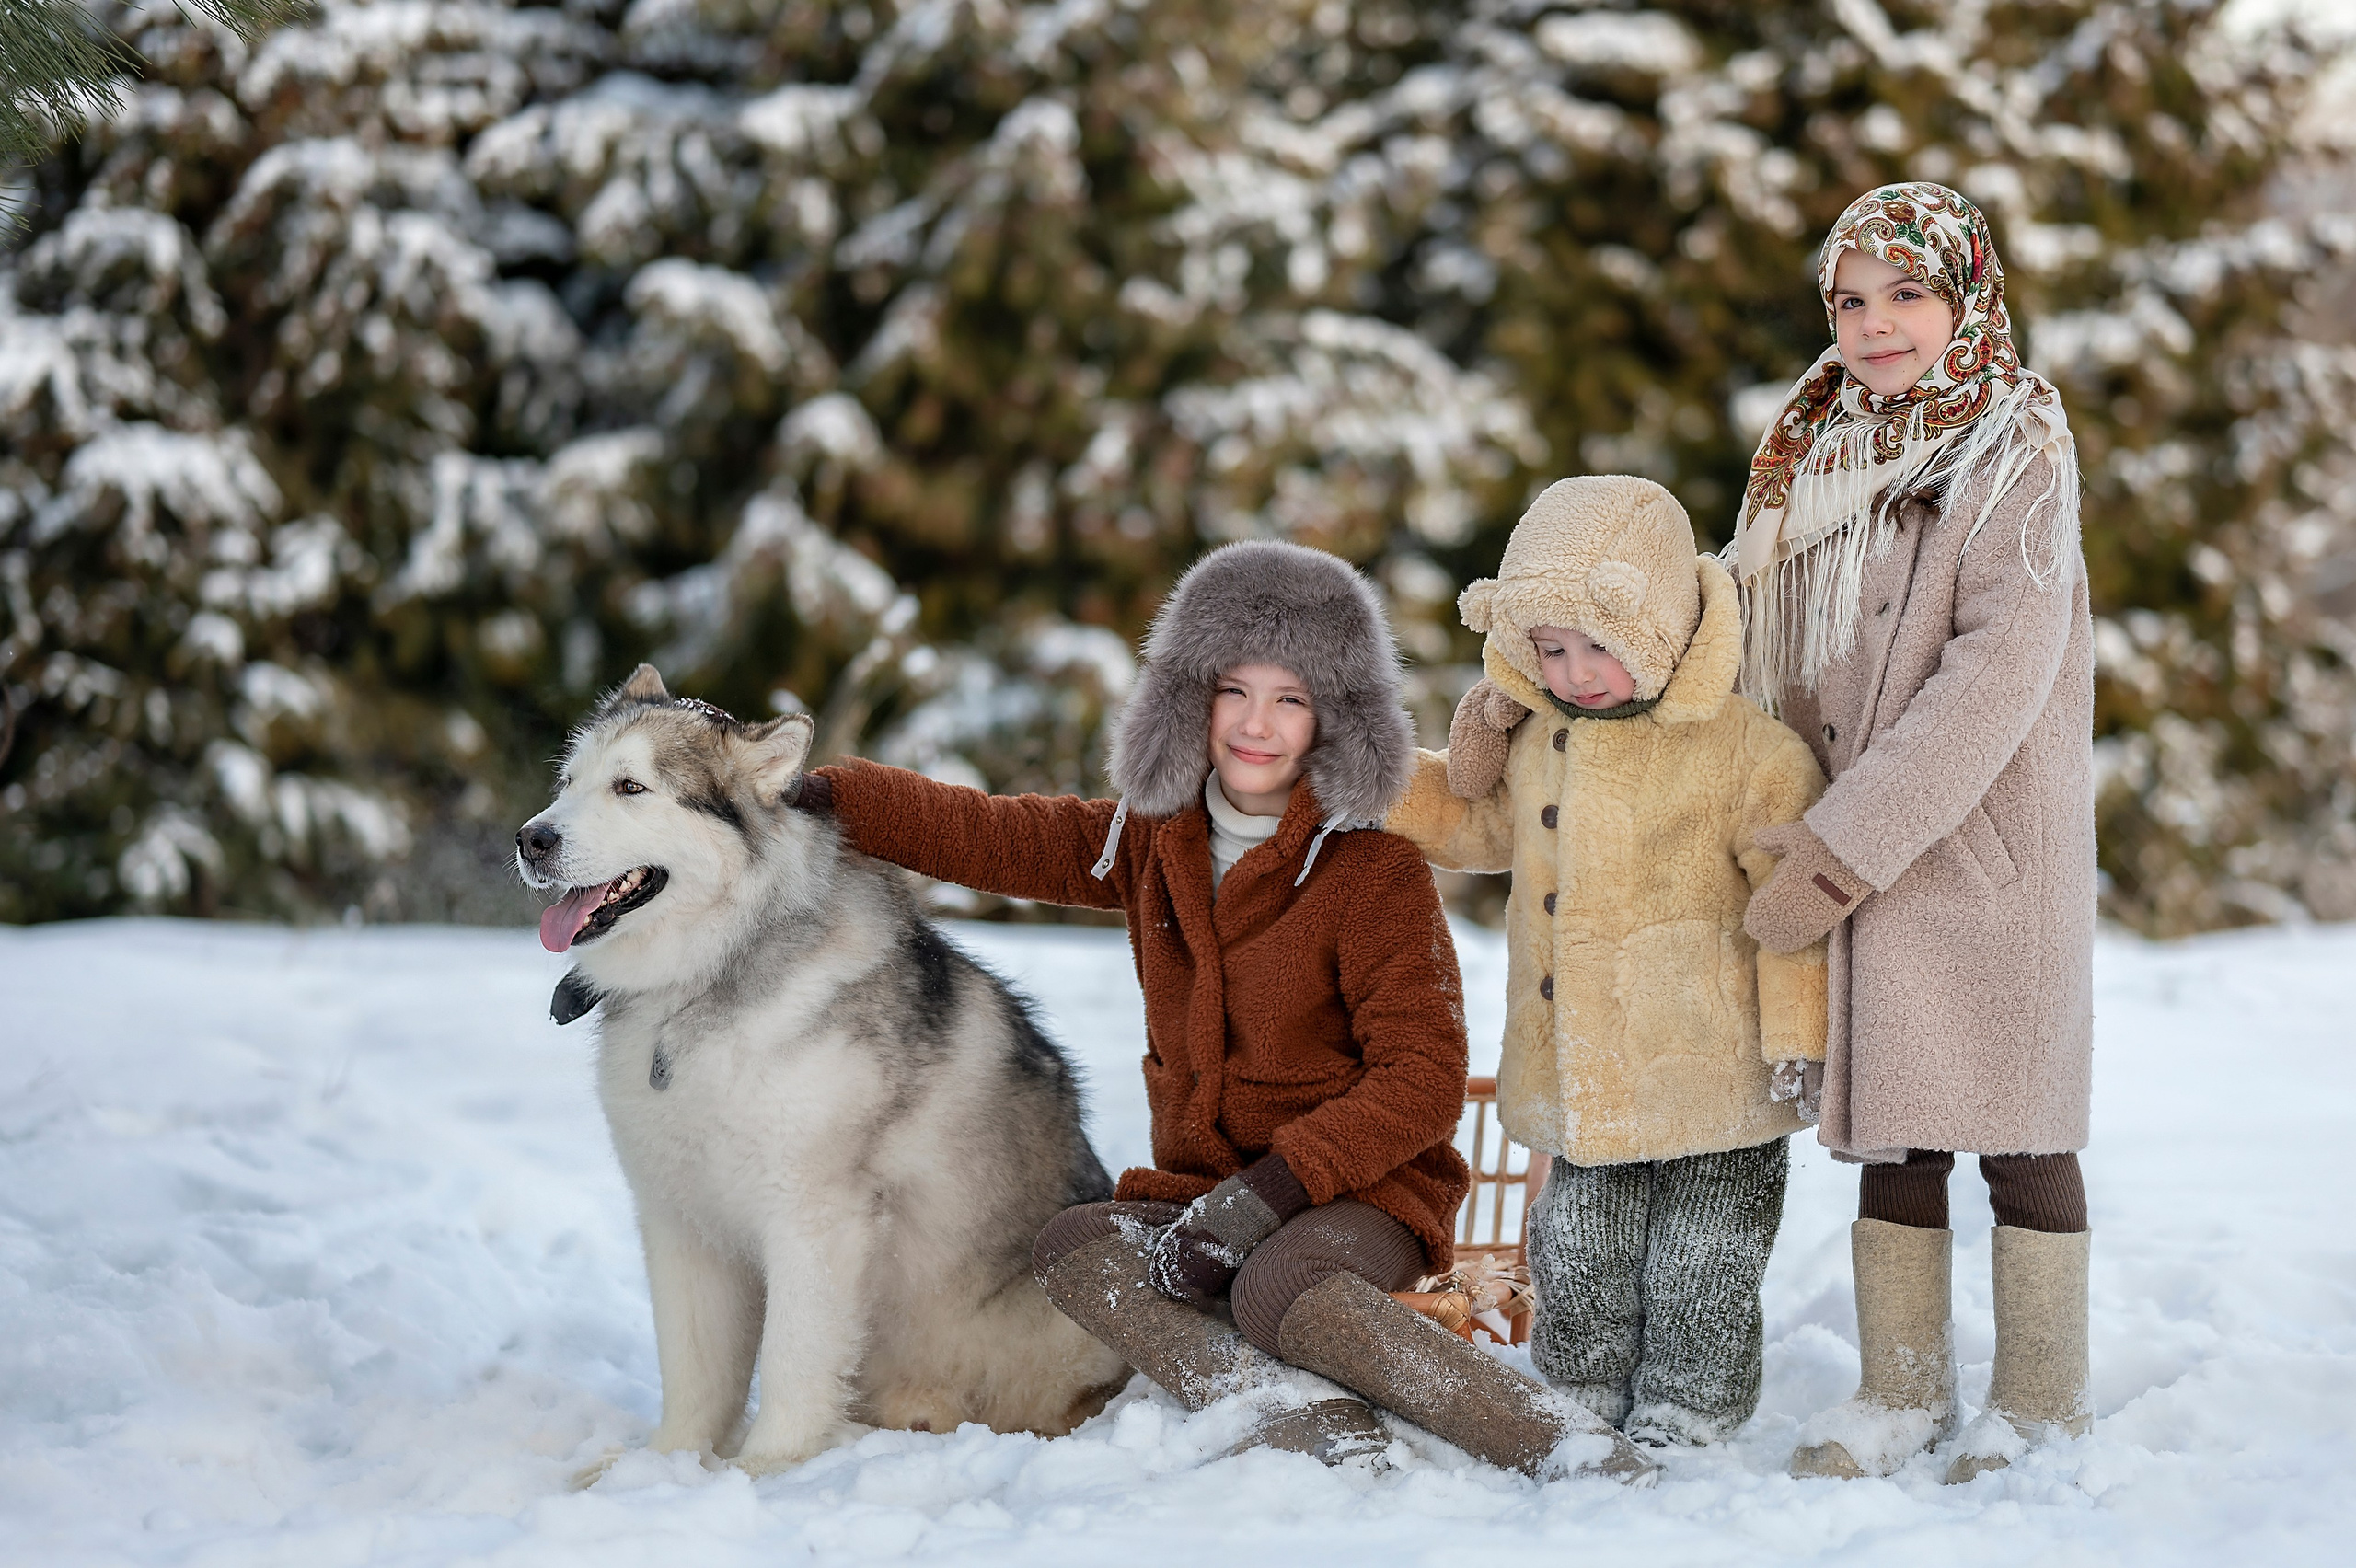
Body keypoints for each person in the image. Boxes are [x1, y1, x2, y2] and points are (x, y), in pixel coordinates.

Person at [791, 539, 1650, 1481]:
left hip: (1352, 1198)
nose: (1256, 724)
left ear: (1333, 719)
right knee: (1076, 1247)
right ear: (1188, 698)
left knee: (1282, 1284)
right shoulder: (1154, 840)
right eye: (1233, 691)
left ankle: (1559, 1443)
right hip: (1204, 1199)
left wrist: (1267, 1198)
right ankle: (1301, 1418)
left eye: (1291, 699)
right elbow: (998, 834)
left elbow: (1422, 1081)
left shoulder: (1375, 868)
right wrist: (831, 793)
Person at [1729, 182, 2096, 1483]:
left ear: (1967, 301)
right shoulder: (1820, 452)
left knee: (2020, 1121)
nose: (1876, 326)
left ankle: (2042, 1405)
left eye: (1907, 294)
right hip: (1859, 851)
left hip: (1982, 851)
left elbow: (1998, 670)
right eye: (1850, 299)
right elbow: (1758, 643)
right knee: (1899, 1125)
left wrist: (1840, 849)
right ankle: (1900, 1394)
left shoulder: (2018, 448)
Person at [1386, 475, 1830, 1448]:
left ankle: (1690, 1405)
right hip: (1584, 1071)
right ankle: (1579, 1392)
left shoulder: (1749, 753)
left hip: (1717, 1074)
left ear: (1663, 630)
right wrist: (1376, 778)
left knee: (1704, 1259)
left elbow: (1794, 911)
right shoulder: (1544, 738)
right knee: (1578, 1245)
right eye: (1550, 648)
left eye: (1601, 645)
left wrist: (1803, 1040)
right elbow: (1478, 821)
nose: (1577, 671)